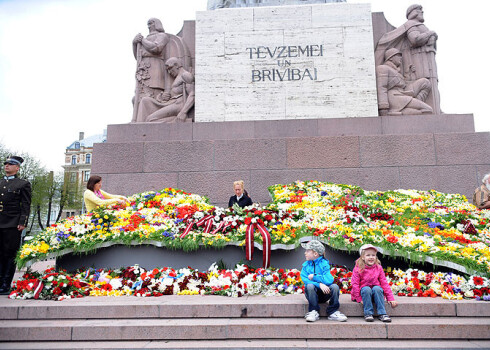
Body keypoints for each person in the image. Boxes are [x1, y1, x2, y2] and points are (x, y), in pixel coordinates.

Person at [0, 156, 31, 295]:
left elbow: (25, 204)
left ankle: (6, 283)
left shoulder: (22, 184)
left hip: (12, 223)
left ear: (17, 168)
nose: (7, 166)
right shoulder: (0, 182)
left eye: (10, 164)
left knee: (9, 253)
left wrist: (22, 222)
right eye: (6, 163)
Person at [132, 18, 169, 122]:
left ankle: (152, 119)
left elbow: (156, 48)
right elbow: (137, 56)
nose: (149, 25)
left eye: (151, 23)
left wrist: (142, 40)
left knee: (153, 96)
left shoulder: (162, 36)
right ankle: (139, 120)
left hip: (155, 68)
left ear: (157, 24)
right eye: (148, 23)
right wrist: (134, 43)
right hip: (143, 71)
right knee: (137, 98)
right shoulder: (146, 39)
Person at [300, 240, 348, 322]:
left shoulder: (324, 264)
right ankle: (313, 311)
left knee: (335, 287)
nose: (305, 253)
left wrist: (315, 277)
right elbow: (306, 280)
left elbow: (329, 280)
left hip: (324, 294)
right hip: (312, 294)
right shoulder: (306, 266)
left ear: (315, 254)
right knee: (310, 286)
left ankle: (332, 312)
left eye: (307, 251)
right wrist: (320, 285)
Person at [376, 48, 432, 116]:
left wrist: (409, 74)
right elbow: (382, 87)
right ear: (391, 58)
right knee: (428, 110)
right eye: (398, 55)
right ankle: (395, 112)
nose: (400, 58)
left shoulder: (396, 71)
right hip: (394, 97)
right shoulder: (383, 68)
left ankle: (413, 105)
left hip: (403, 93)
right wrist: (383, 107)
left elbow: (403, 84)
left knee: (425, 82)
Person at [136, 57, 195, 123]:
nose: (169, 72)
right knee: (145, 100)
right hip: (170, 103)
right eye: (168, 70)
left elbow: (192, 94)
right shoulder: (178, 77)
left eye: (170, 68)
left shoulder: (186, 75)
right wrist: (162, 97)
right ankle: (138, 124)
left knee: (150, 119)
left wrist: (183, 112)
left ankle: (173, 121)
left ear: (176, 65)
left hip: (178, 105)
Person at [350, 244, 397, 322]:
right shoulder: (358, 268)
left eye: (373, 255)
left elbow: (384, 283)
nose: (371, 257)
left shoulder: (378, 268)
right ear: (363, 257)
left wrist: (390, 298)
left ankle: (382, 314)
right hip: (364, 293)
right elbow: (355, 284)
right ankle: (368, 313)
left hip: (375, 293)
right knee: (366, 289)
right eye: (368, 255)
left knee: (377, 288)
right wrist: (358, 298)